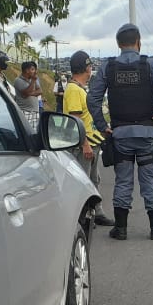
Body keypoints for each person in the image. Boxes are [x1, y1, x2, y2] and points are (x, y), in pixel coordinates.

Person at [88, 22, 153, 241]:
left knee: (123, 181)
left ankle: (120, 229)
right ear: (139, 42)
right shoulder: (150, 65)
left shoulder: (108, 68)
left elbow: (93, 99)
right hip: (147, 133)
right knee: (149, 181)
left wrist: (102, 125)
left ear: (118, 44)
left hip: (120, 134)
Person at [63, 51, 115, 226]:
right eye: (90, 66)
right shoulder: (73, 90)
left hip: (92, 143)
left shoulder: (79, 89)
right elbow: (76, 119)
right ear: (87, 68)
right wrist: (84, 144)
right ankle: (82, 217)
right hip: (84, 146)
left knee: (94, 181)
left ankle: (95, 212)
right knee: (83, 182)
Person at [13, 61, 42, 128]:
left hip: (35, 111)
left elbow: (40, 91)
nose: (35, 72)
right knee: (25, 131)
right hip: (24, 112)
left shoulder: (33, 79)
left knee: (34, 132)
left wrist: (30, 93)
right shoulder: (18, 80)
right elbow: (26, 92)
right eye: (33, 69)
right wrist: (33, 81)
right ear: (27, 70)